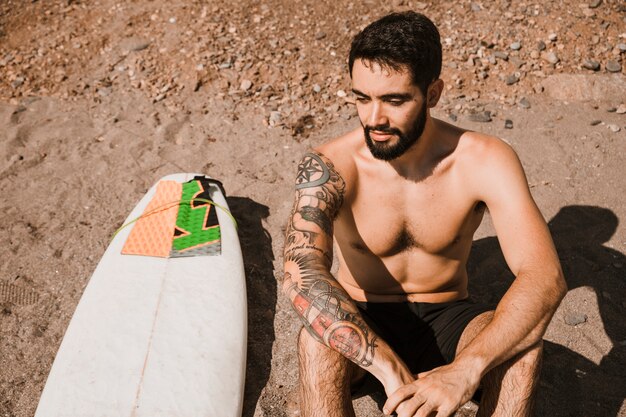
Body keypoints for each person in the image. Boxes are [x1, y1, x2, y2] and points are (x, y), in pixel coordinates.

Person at [282, 11, 567, 417]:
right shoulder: (332, 166)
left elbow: (545, 276)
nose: (374, 119)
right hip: (364, 313)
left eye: (394, 100)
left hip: (449, 314)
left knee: (523, 355)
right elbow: (301, 271)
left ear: (433, 93)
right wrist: (386, 364)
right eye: (362, 98)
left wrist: (466, 370)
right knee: (315, 341)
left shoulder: (483, 160)